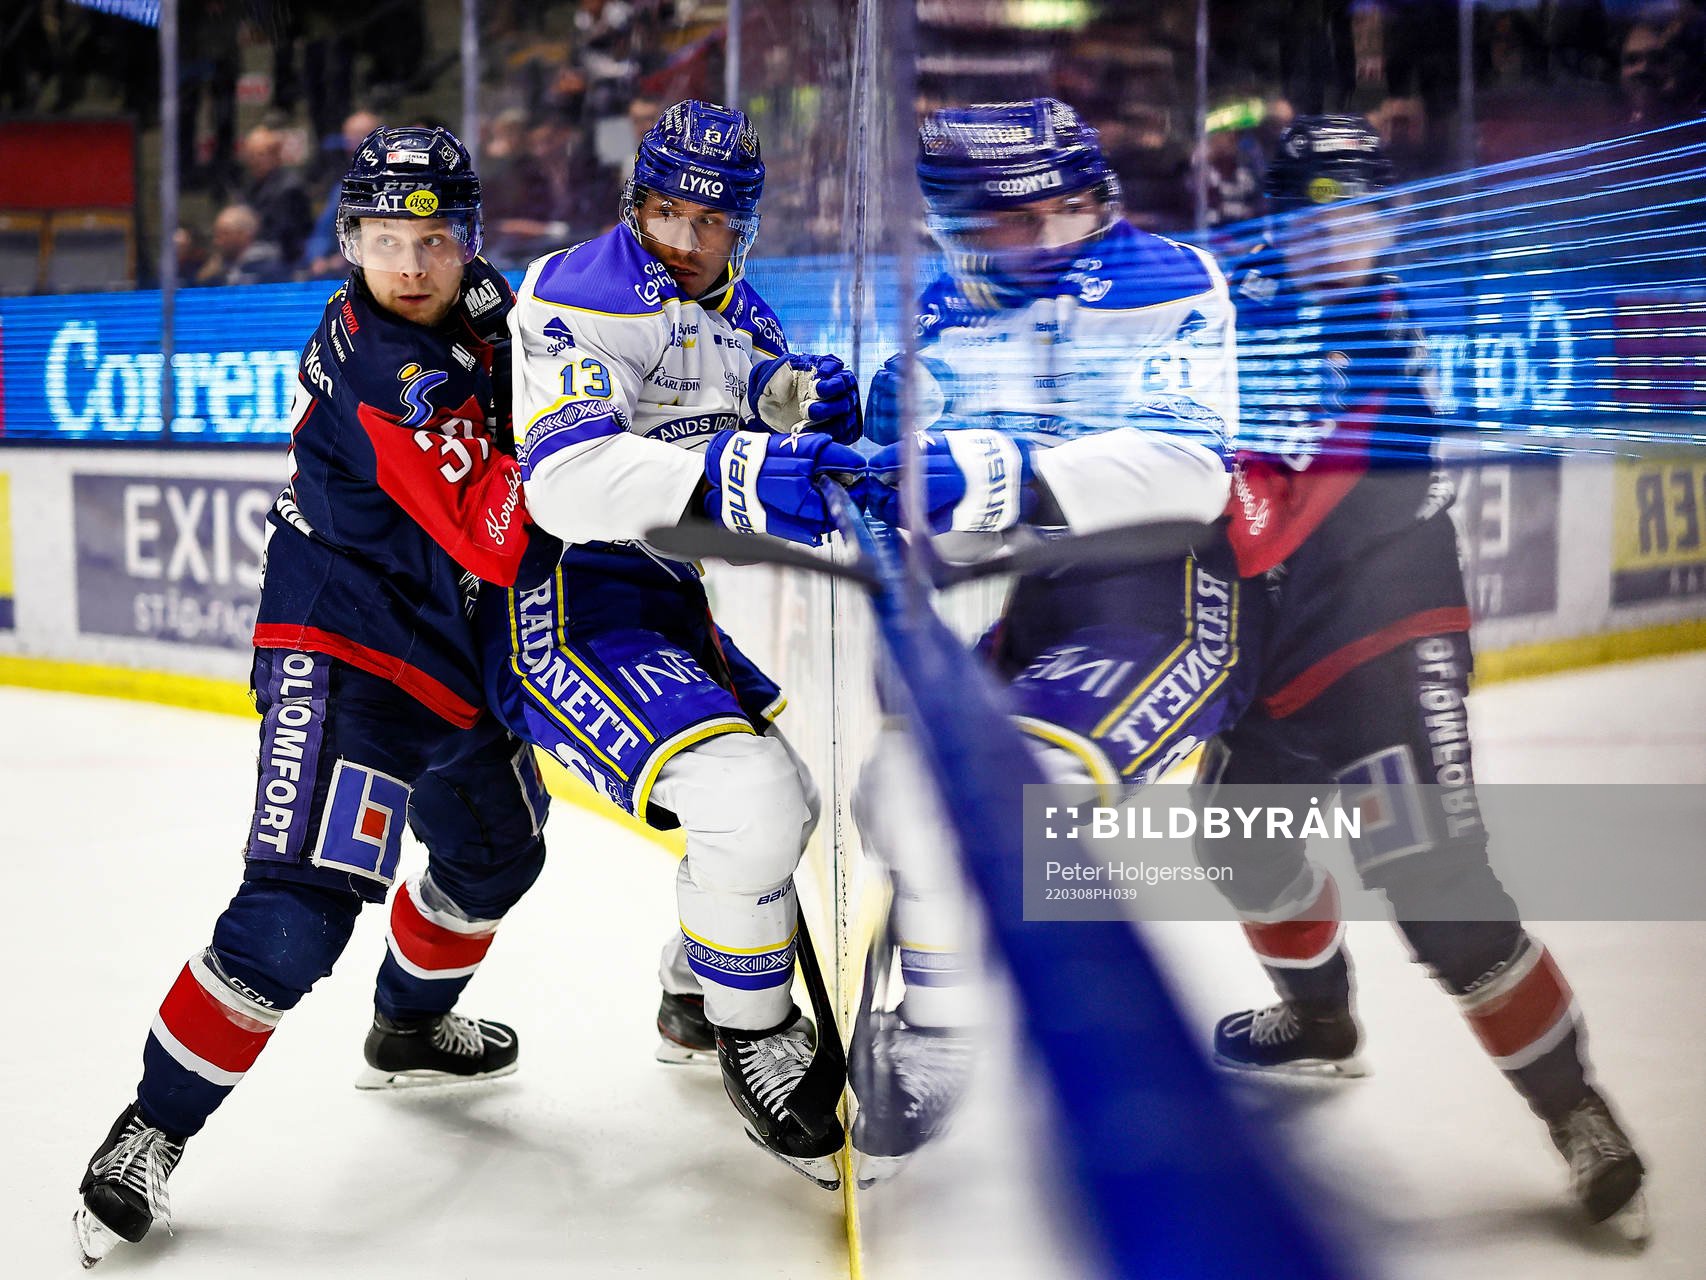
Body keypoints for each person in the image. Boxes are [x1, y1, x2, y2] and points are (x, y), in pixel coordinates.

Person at [74, 126, 555, 1266]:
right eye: (386, 240)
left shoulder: (483, 300)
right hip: (341, 649)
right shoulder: (387, 368)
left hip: (448, 653)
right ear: (352, 242)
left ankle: (408, 1026)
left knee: (497, 851)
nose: (411, 265)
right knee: (295, 909)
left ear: (467, 241)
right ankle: (149, 1127)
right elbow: (496, 533)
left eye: (434, 240)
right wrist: (599, 445)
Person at [1201, 113, 1648, 1242]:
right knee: (1234, 836)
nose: (1330, 226)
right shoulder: (1247, 309)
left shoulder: (1379, 332)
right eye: (1307, 203)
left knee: (1439, 892)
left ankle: (1576, 1111)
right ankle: (1318, 1019)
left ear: (1386, 217)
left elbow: (1261, 508)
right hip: (1282, 648)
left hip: (1384, 647)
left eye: (1352, 204)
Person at [851, 97, 1256, 1179]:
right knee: (895, 790)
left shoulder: (1163, 280)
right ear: (951, 225)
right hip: (1029, 605)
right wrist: (879, 475)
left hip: (1159, 601)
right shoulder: (936, 315)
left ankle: (943, 1030)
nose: (1056, 236)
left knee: (1014, 797)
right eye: (1020, 221)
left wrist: (989, 470)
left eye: (1071, 209)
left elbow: (1189, 469)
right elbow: (912, 487)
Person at [489, 100, 862, 1189]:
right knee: (748, 797)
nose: (686, 242)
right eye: (666, 213)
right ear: (633, 202)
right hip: (564, 598)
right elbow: (562, 482)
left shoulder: (734, 304)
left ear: (743, 228)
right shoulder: (573, 294)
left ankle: (696, 993)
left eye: (712, 222)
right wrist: (746, 474)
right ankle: (750, 1027)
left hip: (660, 595)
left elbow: (753, 393)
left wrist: (806, 401)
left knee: (774, 791)